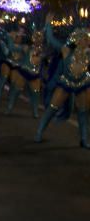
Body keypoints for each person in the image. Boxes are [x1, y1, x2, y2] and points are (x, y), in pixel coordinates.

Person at [35, 18, 90, 147]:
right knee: (52, 108)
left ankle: (84, 140)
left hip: (82, 84)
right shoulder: (66, 51)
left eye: (88, 39)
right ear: (77, 40)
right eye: (85, 39)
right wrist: (48, 24)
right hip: (65, 83)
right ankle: (39, 132)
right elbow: (52, 40)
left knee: (83, 112)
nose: (88, 41)